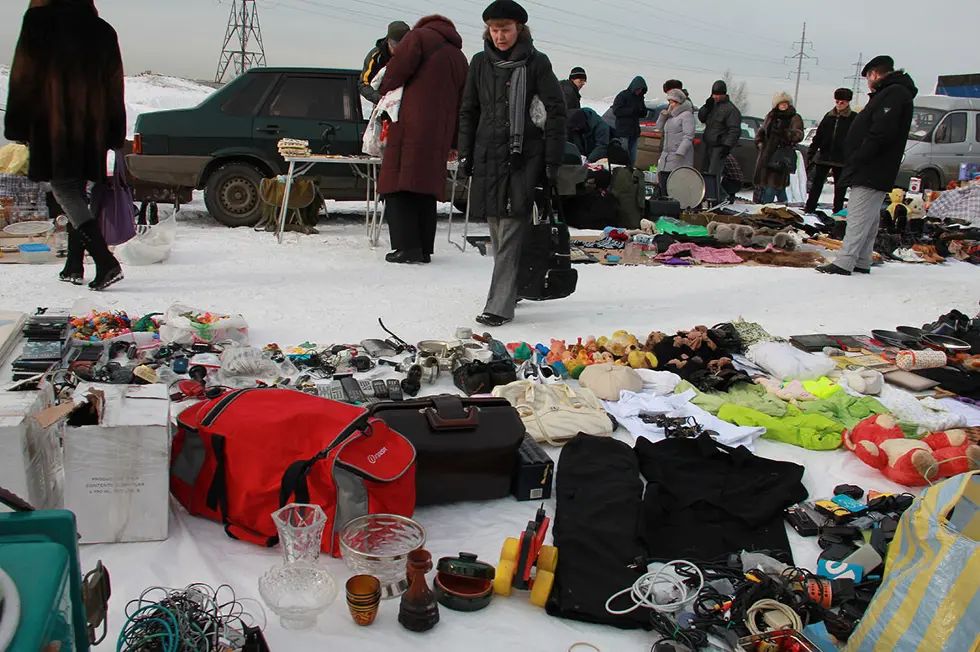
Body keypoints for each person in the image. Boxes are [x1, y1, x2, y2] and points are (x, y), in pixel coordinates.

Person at [458, 0, 566, 327]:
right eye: (494, 29)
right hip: (488, 156)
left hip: (524, 157)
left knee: (510, 230)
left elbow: (556, 113)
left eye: (505, 29)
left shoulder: (536, 63)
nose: (500, 35)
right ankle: (514, 287)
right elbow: (468, 111)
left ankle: (499, 305)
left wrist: (552, 161)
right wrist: (464, 152)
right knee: (496, 227)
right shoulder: (479, 63)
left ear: (519, 29)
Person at [5, 0, 125, 290]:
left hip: (53, 124)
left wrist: (17, 124)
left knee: (63, 189)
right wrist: (113, 131)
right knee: (76, 190)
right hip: (91, 127)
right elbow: (114, 85)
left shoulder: (39, 22)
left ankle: (105, 260)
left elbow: (23, 75)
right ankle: (73, 265)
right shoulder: (102, 30)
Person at [377, 15, 468, 264]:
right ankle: (424, 248)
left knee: (399, 185)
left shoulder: (418, 38)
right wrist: (453, 142)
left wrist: (384, 87)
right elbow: (463, 104)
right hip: (440, 132)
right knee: (425, 188)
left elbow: (397, 71)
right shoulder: (459, 58)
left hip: (410, 124)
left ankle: (406, 248)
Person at [818, 56, 917, 276]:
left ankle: (845, 261)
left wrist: (858, 157)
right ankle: (862, 259)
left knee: (857, 215)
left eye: (868, 77)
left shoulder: (894, 94)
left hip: (872, 166)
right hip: (874, 166)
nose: (868, 82)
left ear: (874, 74)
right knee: (869, 217)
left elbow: (881, 132)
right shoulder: (891, 93)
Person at [804, 88, 856, 214]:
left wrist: (852, 155)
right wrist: (812, 151)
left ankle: (837, 210)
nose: (839, 104)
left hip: (841, 158)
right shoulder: (829, 116)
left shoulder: (853, 118)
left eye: (842, 102)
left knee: (840, 187)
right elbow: (819, 135)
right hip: (824, 156)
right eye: (837, 101)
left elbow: (856, 138)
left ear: (848, 102)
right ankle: (809, 207)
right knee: (817, 184)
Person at [754, 92, 805, 204]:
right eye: (781, 104)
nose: (783, 106)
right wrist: (760, 142)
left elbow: (799, 135)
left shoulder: (794, 117)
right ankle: (784, 205)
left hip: (781, 156)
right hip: (767, 155)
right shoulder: (771, 116)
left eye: (785, 103)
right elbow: (762, 131)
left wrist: (785, 133)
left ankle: (766, 208)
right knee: (776, 187)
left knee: (771, 187)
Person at [359, 20, 411, 104]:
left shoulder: (415, 55)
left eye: (404, 45)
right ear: (388, 41)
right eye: (395, 45)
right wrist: (381, 99)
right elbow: (363, 84)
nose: (399, 50)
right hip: (383, 104)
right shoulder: (376, 57)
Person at [698, 79, 741, 178]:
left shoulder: (731, 110)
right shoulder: (712, 105)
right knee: (704, 174)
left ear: (724, 94)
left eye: (718, 94)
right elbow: (702, 118)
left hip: (719, 147)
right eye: (714, 94)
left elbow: (734, 130)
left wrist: (727, 146)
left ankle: (716, 193)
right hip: (708, 144)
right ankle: (712, 193)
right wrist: (706, 107)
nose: (715, 97)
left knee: (713, 175)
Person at [655, 88, 695, 188]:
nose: (670, 104)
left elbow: (689, 135)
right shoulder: (670, 116)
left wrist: (680, 152)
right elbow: (658, 127)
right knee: (663, 180)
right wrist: (663, 116)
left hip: (679, 156)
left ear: (679, 102)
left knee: (675, 182)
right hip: (667, 154)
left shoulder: (687, 115)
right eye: (669, 102)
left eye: (672, 102)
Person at [611, 76, 647, 164]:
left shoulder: (640, 98)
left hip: (634, 131)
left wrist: (642, 111)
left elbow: (643, 112)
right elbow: (616, 110)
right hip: (623, 131)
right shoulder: (623, 95)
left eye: (641, 90)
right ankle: (622, 172)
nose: (639, 91)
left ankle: (630, 172)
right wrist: (631, 110)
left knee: (633, 157)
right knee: (623, 155)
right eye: (638, 89)